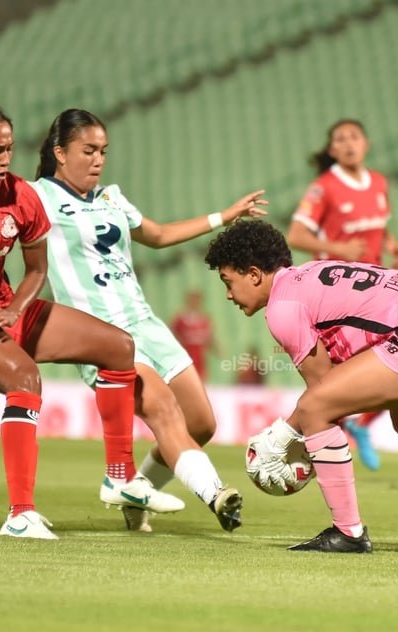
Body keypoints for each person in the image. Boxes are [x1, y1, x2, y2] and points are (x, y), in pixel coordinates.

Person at [0, 100, 183, 540]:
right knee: (24, 379)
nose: (5, 161)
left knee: (118, 346)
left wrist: (14, 309)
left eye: (9, 149)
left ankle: (119, 477)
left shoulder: (21, 197)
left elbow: (37, 270)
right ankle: (20, 514)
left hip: (3, 308)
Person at [204, 219, 398, 553]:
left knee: (316, 408)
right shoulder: (311, 273)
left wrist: (282, 436)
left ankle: (349, 533)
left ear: (253, 274)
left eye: (228, 281)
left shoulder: (283, 307)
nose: (227, 294)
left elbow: (323, 394)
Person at [30, 108, 268, 532]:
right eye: (89, 150)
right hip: (100, 334)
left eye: (103, 150)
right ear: (60, 153)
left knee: (202, 423)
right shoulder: (37, 198)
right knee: (161, 406)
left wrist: (224, 216)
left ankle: (135, 491)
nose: (99, 159)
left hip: (145, 323)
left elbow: (156, 236)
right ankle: (217, 493)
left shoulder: (111, 197)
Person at [286, 119, 398, 471]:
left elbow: (378, 224)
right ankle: (300, 441)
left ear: (366, 143)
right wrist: (337, 247)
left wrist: (392, 244)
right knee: (331, 377)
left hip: (376, 287)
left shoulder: (380, 183)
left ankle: (353, 424)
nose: (349, 143)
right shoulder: (323, 188)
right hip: (336, 292)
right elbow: (296, 234)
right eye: (340, 139)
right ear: (332, 150)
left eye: (354, 136)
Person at [170, 290, 215, 381]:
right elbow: (171, 335)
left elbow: (209, 339)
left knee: (200, 380)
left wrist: (216, 349)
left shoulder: (204, 319)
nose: (195, 302)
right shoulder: (181, 319)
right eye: (192, 299)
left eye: (197, 300)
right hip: (185, 356)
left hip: (199, 357)